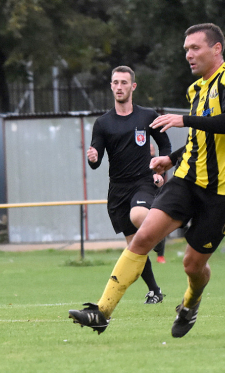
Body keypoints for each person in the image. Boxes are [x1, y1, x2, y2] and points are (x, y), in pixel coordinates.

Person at [69, 23, 225, 337]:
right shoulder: (197, 88)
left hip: (223, 189)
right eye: (186, 48)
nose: (188, 54)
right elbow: (202, 139)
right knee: (142, 236)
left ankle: (190, 303)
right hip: (187, 179)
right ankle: (101, 312)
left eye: (194, 47)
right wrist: (170, 159)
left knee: (192, 266)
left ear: (216, 49)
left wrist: (183, 119)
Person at [87, 65, 171, 304]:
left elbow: (165, 146)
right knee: (135, 247)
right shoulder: (102, 123)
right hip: (117, 190)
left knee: (139, 217)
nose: (120, 87)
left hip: (143, 182)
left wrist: (161, 168)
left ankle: (159, 232)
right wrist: (92, 158)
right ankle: (154, 290)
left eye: (124, 82)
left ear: (133, 86)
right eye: (116, 83)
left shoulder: (147, 116)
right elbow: (96, 160)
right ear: (111, 86)